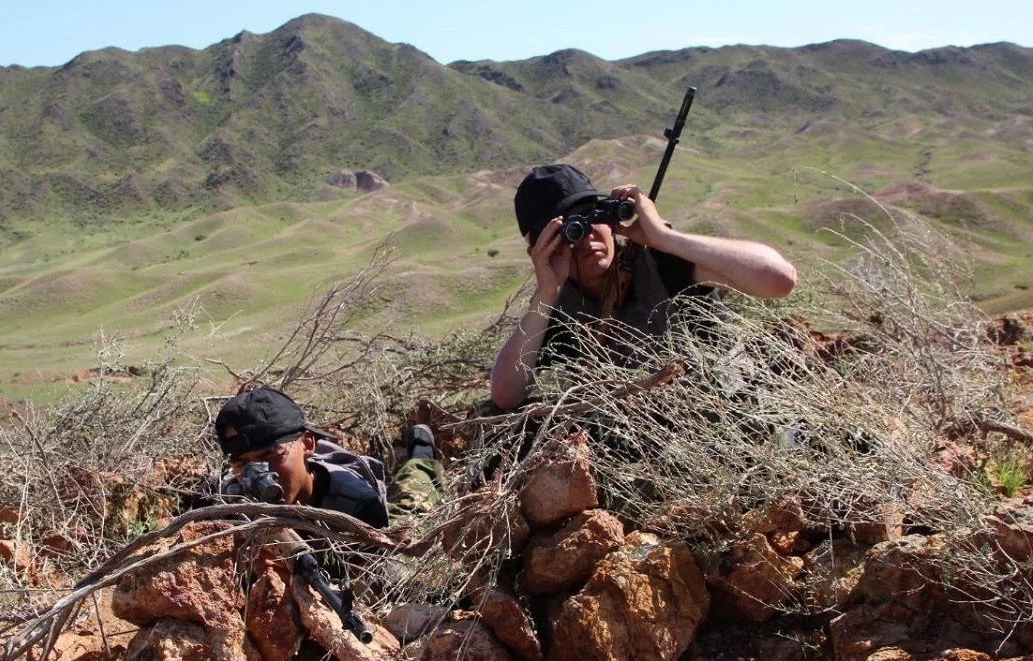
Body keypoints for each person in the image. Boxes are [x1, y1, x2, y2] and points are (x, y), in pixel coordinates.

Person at [490, 164, 797, 410]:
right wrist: (545, 293)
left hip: (732, 418)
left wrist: (664, 238)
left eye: (590, 218)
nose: (586, 238)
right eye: (569, 232)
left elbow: (779, 279)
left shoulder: (662, 265)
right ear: (540, 250)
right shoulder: (560, 309)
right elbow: (505, 396)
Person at [213, 387, 444, 528]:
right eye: (243, 464)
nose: (260, 474)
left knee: (412, 507)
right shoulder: (234, 498)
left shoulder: (358, 504)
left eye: (272, 455)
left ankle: (421, 448)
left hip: (365, 502)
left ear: (308, 444)